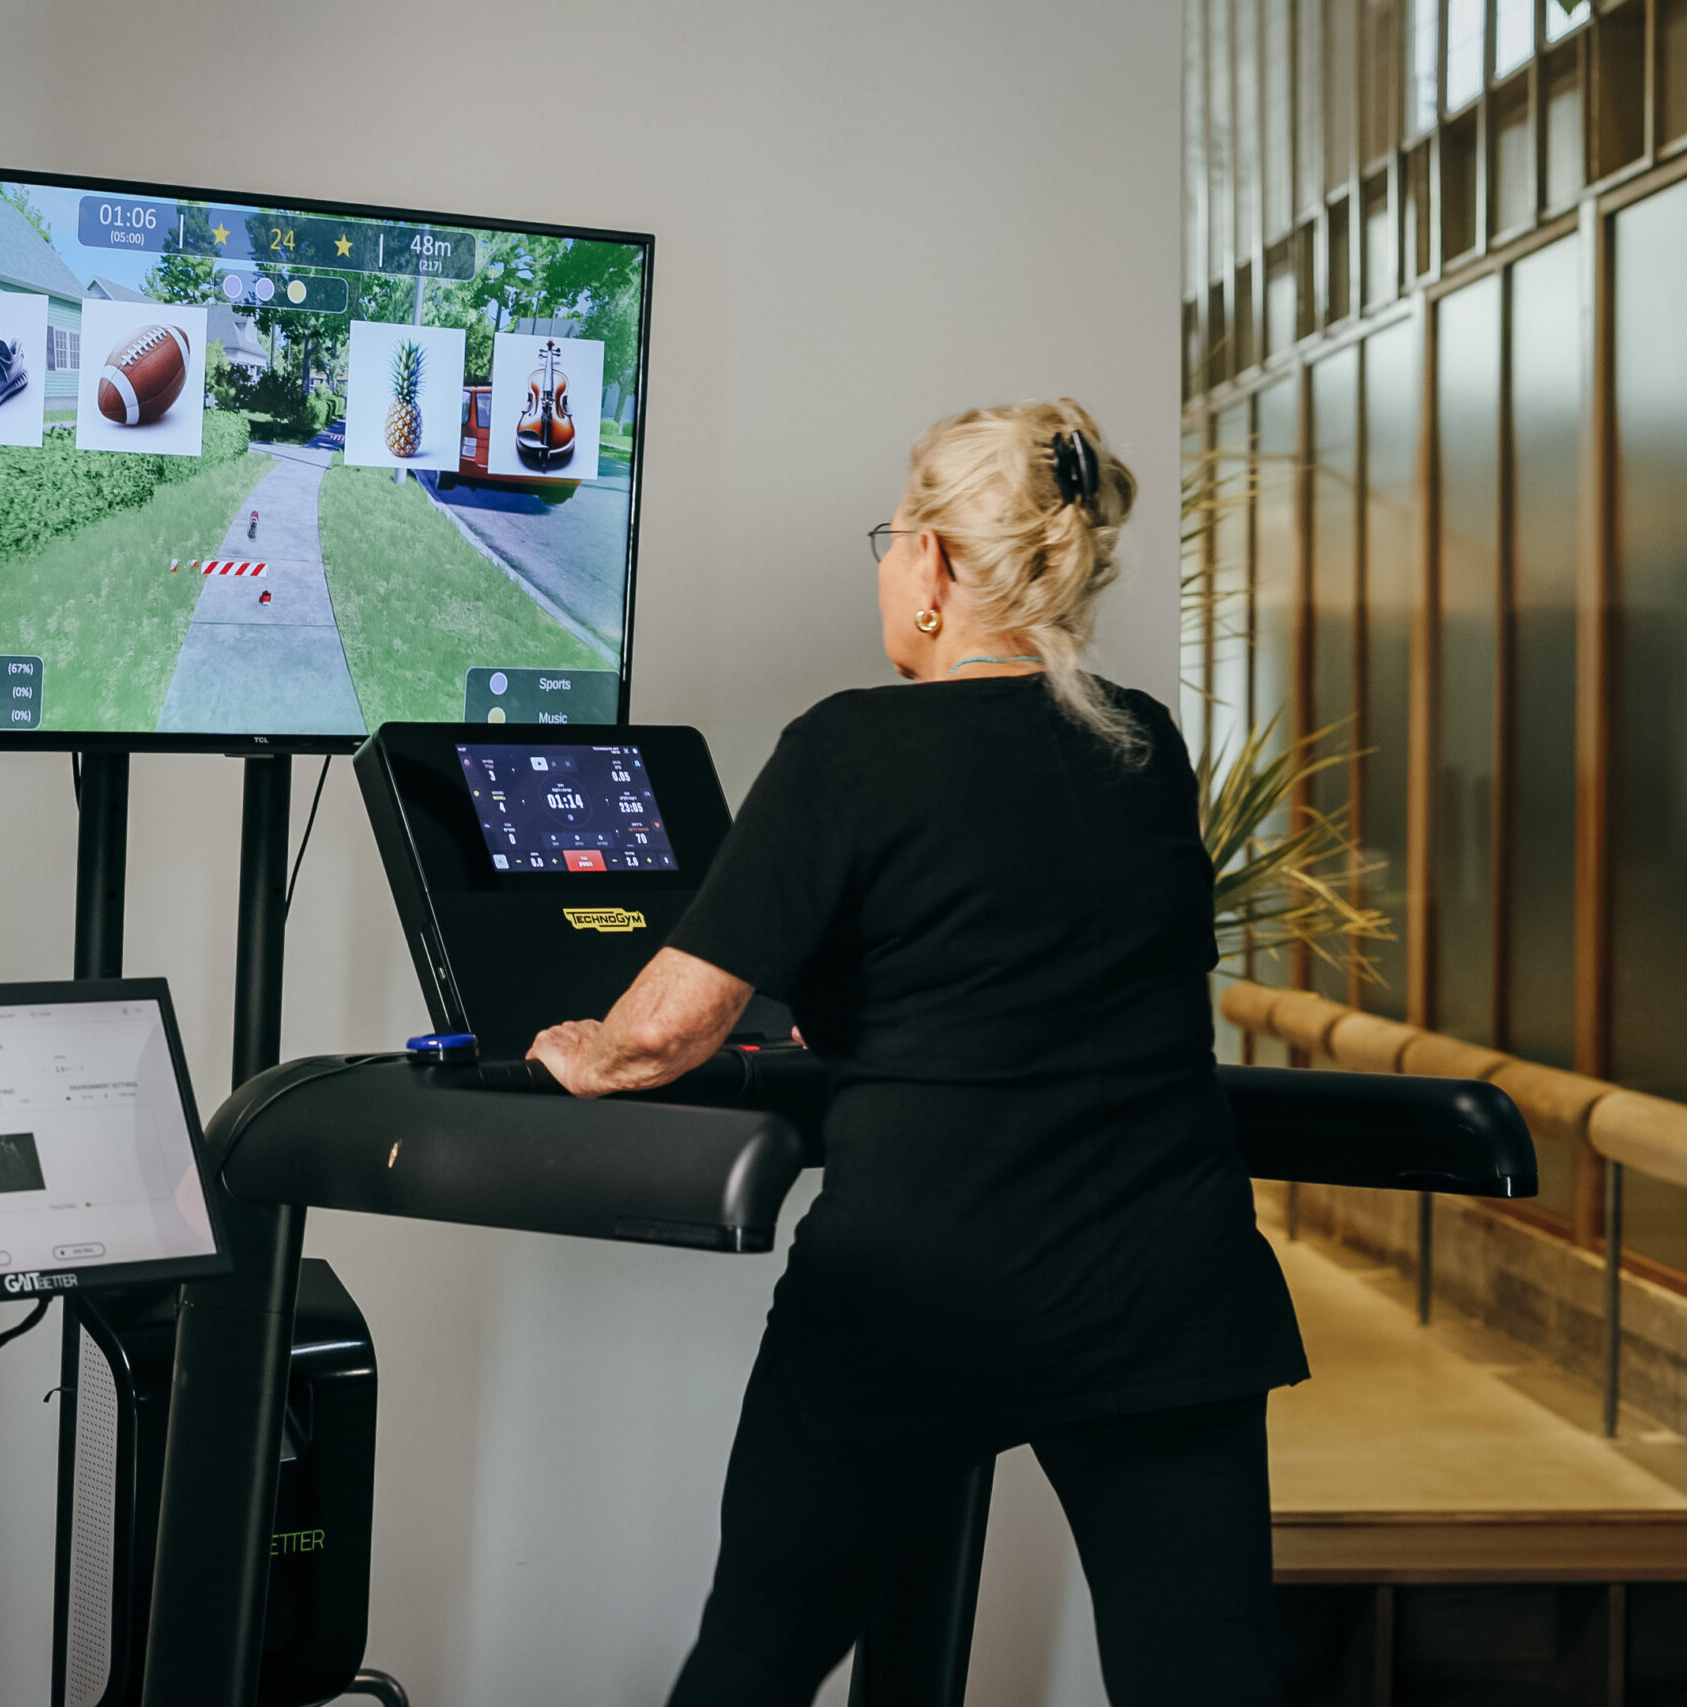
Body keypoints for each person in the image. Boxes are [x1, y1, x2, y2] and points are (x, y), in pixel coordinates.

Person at [525, 399, 1307, 1706]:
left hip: (922, 1285)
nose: (888, 563)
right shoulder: (1143, 744)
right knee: (1206, 1681)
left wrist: (583, 1053)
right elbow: (1033, 954)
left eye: (893, 537)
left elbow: (666, 1032)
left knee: (758, 1661)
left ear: (934, 565)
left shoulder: (848, 748)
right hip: (1166, 1286)